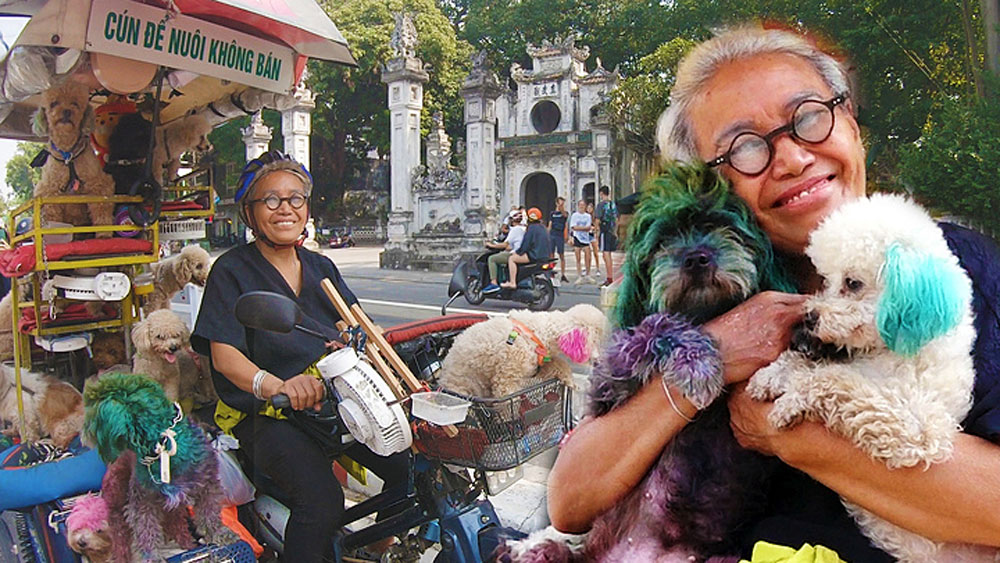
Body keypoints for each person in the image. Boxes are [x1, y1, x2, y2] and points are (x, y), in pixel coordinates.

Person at [546, 25, 1000, 560]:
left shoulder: (954, 267)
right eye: (743, 148)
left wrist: (789, 431)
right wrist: (708, 358)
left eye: (809, 116)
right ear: (712, 183)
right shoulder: (713, 298)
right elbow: (569, 499)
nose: (790, 159)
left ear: (852, 126)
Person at [191, 151, 410, 563]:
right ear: (249, 212)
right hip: (268, 414)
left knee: (410, 468)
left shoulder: (322, 266)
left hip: (335, 404)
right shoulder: (231, 270)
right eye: (271, 200)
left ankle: (380, 548)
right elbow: (224, 356)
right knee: (322, 501)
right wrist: (278, 386)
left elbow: (355, 325)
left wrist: (357, 342)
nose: (285, 208)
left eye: (295, 198)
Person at [502, 207, 553, 289]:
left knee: (511, 259)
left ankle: (512, 282)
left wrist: (518, 252)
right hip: (544, 255)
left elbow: (526, 244)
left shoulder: (531, 228)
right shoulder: (543, 228)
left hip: (534, 255)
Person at [484, 210, 526, 293]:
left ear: (512, 220)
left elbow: (504, 245)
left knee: (492, 259)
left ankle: (494, 283)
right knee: (501, 255)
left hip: (516, 253)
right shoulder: (524, 228)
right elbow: (511, 245)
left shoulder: (515, 230)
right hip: (521, 252)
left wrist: (491, 245)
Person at [593, 186, 618, 287]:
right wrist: (615, 231)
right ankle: (610, 275)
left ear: (601, 193)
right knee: (609, 255)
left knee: (605, 254)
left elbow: (597, 220)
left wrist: (596, 232)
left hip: (604, 231)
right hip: (612, 231)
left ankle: (609, 277)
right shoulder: (613, 204)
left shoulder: (601, 205)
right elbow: (616, 219)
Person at [568, 199, 593, 284]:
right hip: (577, 237)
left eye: (583, 205)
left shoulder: (588, 216)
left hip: (585, 239)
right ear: (578, 206)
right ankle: (579, 275)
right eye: (580, 205)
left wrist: (579, 228)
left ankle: (588, 274)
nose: (582, 206)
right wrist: (582, 228)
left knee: (588, 256)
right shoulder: (574, 215)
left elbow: (588, 228)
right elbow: (573, 227)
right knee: (578, 257)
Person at [547, 197, 570, 283]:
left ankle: (563, 274)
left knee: (561, 254)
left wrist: (562, 208)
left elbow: (565, 216)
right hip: (553, 234)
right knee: (551, 254)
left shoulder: (564, 213)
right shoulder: (552, 213)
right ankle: (551, 271)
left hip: (560, 234)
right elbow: (550, 224)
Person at [585, 201, 602, 279]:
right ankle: (587, 267)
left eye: (590, 208)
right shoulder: (585, 217)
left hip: (593, 235)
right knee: (587, 253)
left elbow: (597, 227)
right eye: (588, 208)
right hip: (586, 235)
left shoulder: (595, 218)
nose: (589, 209)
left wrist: (594, 230)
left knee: (595, 252)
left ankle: (598, 268)